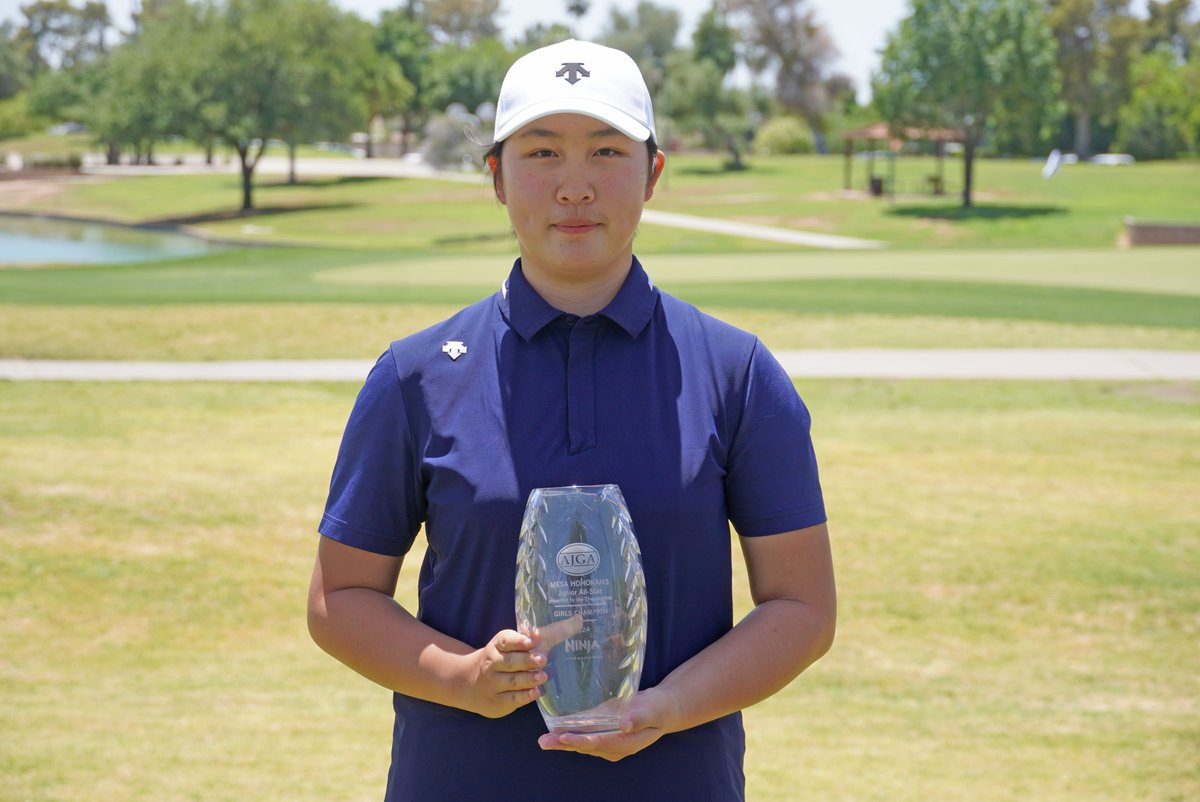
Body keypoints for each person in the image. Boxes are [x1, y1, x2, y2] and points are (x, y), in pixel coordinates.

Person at [307, 39, 836, 801]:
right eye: (543, 152)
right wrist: (461, 678)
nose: (576, 186)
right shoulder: (417, 375)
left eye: (608, 151)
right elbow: (338, 599)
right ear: (496, 176)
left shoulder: (736, 373)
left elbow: (803, 607)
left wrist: (670, 706)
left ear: (653, 174)